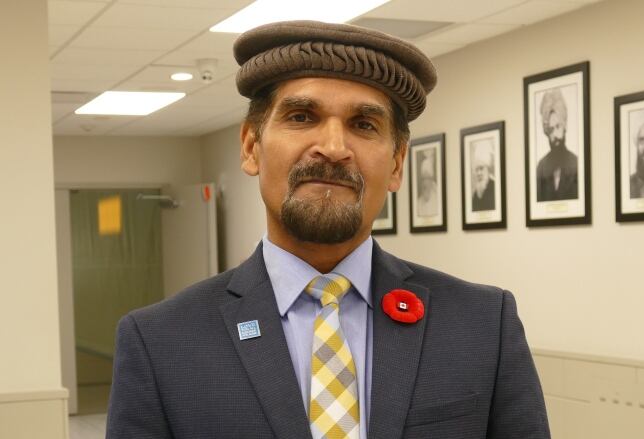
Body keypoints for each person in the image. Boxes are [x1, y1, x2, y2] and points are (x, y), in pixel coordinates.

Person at [106, 20, 549, 439]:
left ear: (396, 164)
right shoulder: (160, 343)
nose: (334, 148)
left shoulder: (482, 324)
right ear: (250, 147)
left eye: (364, 125)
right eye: (301, 117)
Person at [536, 88, 578, 201]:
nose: (555, 135)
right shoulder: (541, 167)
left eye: (558, 127)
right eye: (550, 129)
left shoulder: (576, 163)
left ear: (565, 127)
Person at [471, 140, 496, 211]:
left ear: (487, 170)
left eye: (481, 168)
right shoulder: (476, 194)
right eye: (477, 169)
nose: (479, 173)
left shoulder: (495, 187)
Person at [416, 150, 439, 217]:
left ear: (431, 180)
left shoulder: (438, 199)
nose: (424, 183)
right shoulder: (418, 202)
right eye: (423, 179)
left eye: (427, 179)